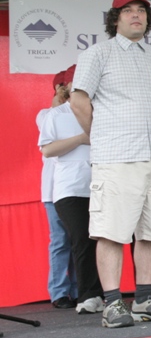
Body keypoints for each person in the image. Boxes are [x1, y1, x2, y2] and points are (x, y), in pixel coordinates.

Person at [71, 0, 151, 328]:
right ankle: (112, 303)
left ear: (148, 18)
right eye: (128, 10)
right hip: (117, 155)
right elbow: (79, 101)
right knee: (111, 231)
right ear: (115, 18)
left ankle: (145, 299)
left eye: (141, 10)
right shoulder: (98, 53)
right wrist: (101, 136)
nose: (136, 15)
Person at [38, 65, 102, 313]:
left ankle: (100, 293)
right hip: (69, 188)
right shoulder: (56, 114)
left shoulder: (101, 111)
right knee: (79, 239)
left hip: (100, 184)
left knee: (101, 239)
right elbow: (47, 150)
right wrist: (81, 139)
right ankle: (84, 294)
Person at [37, 71, 78, 309]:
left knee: (79, 240)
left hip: (79, 186)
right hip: (53, 190)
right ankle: (59, 291)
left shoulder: (86, 113)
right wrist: (59, 100)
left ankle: (79, 289)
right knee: (61, 240)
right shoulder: (47, 114)